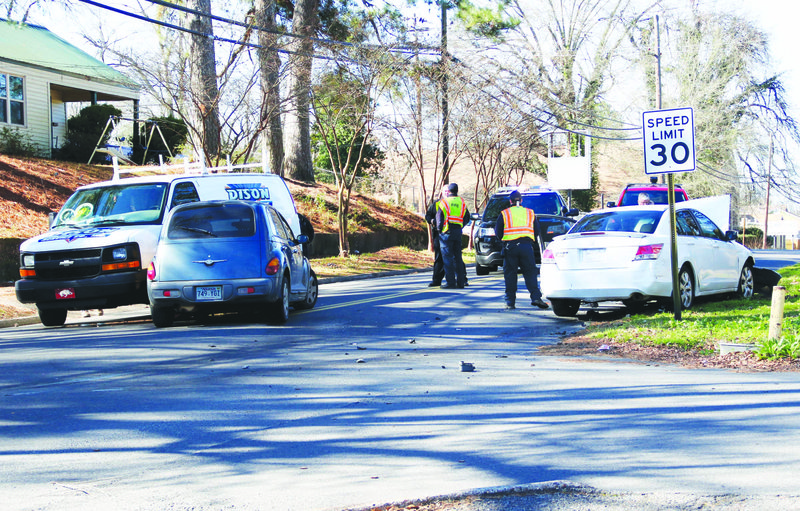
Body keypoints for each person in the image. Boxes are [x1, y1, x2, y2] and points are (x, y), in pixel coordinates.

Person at [495, 189, 549, 310]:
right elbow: (536, 230)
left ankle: (510, 302)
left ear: (510, 201)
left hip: (510, 247)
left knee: (510, 274)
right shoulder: (530, 213)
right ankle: (536, 297)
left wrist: (504, 241)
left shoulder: (505, 213)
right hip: (526, 246)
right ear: (521, 200)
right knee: (530, 272)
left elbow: (498, 231)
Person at [435, 183, 469, 289]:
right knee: (458, 258)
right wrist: (460, 226)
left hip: (446, 232)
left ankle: (450, 282)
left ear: (449, 191)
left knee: (447, 258)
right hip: (457, 232)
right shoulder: (462, 202)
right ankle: (461, 282)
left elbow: (439, 218)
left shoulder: (444, 202)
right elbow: (467, 217)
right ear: (457, 191)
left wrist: (439, 230)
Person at [425, 186, 448, 287]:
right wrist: (432, 221)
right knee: (439, 257)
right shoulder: (437, 203)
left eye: (448, 191)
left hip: (452, 234)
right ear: (442, 192)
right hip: (439, 234)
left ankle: (460, 279)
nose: (447, 193)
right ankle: (436, 280)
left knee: (455, 257)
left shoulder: (457, 203)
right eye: (445, 191)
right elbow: (428, 216)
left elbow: (465, 217)